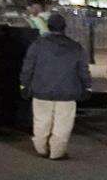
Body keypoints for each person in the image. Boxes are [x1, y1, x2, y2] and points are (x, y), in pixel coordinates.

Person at [18, 12, 90, 159]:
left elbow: (27, 67)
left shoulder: (37, 45)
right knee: (63, 123)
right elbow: (83, 70)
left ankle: (41, 148)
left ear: (48, 27)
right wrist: (86, 87)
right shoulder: (76, 47)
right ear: (64, 28)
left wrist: (24, 85)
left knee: (41, 121)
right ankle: (56, 152)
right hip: (67, 92)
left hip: (41, 90)